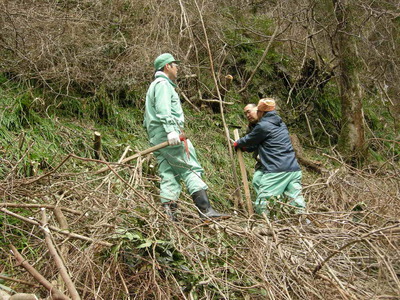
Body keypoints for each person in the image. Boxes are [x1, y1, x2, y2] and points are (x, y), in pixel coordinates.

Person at [143, 53, 229, 221]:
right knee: (190, 168)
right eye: (175, 65)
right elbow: (163, 109)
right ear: (168, 66)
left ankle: (170, 217)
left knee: (169, 174)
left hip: (156, 137)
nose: (178, 68)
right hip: (170, 135)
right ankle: (205, 211)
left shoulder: (155, 85)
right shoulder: (163, 85)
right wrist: (171, 130)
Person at [234, 98, 306, 216]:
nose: (249, 115)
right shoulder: (280, 123)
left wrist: (238, 143)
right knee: (295, 198)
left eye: (254, 111)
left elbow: (249, 139)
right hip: (293, 167)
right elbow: (262, 142)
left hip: (277, 169)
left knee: (264, 199)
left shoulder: (263, 125)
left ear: (260, 112)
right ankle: (302, 220)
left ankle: (265, 223)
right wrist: (246, 148)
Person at [243, 103, 263, 195]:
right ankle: (265, 207)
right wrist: (243, 147)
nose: (247, 115)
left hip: (275, 161)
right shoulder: (250, 128)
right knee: (257, 181)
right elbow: (251, 146)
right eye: (245, 114)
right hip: (261, 162)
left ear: (257, 109)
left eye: (249, 112)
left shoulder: (267, 123)